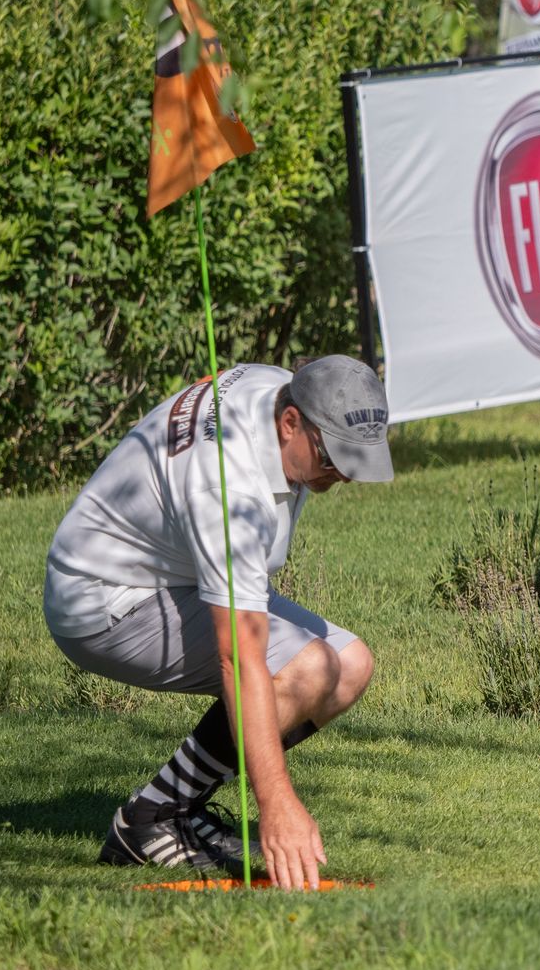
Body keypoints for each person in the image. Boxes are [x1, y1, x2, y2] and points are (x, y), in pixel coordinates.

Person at [43, 355, 394, 889]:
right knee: (307, 670)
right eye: (332, 457)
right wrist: (276, 804)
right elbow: (240, 657)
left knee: (349, 664)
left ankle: (163, 810)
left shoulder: (277, 387)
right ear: (290, 423)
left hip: (172, 573)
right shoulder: (227, 490)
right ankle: (150, 822)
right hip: (103, 600)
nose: (343, 473)